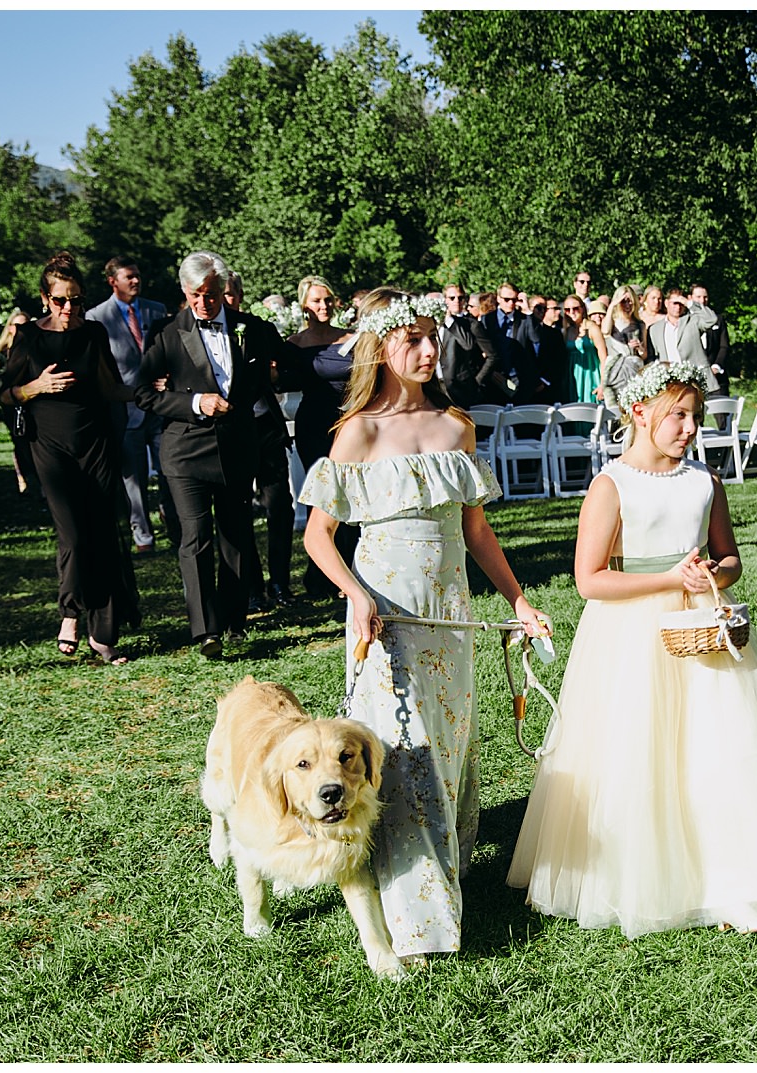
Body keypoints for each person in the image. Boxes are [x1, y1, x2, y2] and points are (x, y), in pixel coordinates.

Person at [508, 360, 757, 936]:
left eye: (695, 416)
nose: (690, 428)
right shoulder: (611, 485)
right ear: (640, 413)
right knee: (637, 749)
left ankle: (730, 882)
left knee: (718, 747)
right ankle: (635, 874)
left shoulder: (705, 483)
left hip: (702, 628)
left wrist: (711, 577)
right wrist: (672, 579)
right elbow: (590, 580)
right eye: (678, 415)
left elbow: (731, 559)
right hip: (628, 634)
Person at [299, 287, 550, 961]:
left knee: (448, 744)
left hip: (450, 613)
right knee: (401, 754)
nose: (428, 349)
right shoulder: (359, 431)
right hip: (387, 613)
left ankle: (450, 860)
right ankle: (421, 916)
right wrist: (354, 594)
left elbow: (476, 530)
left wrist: (519, 601)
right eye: (412, 338)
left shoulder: (455, 426)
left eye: (431, 337)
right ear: (383, 348)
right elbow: (319, 536)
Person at [136, 251, 283, 658]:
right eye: (197, 295)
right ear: (185, 293)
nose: (206, 302)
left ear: (224, 289)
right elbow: (143, 391)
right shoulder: (167, 333)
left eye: (213, 293)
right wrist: (196, 402)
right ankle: (206, 632)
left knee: (235, 536)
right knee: (195, 536)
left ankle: (234, 621)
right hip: (185, 451)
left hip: (237, 448)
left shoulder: (250, 329)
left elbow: (286, 367)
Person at [0, 252, 141, 664]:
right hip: (50, 445)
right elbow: (4, 395)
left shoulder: (93, 333)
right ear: (45, 299)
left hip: (95, 442)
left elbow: (111, 387)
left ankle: (102, 634)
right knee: (73, 534)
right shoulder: (28, 337)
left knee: (101, 532)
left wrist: (153, 390)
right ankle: (70, 613)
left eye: (76, 300)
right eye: (60, 300)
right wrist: (35, 386)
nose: (68, 308)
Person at [86, 255, 172, 552]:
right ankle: (143, 536)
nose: (136, 280)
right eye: (129, 277)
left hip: (161, 405)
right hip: (125, 408)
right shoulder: (96, 317)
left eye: (137, 275)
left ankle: (173, 521)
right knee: (132, 478)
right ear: (113, 282)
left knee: (169, 469)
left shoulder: (157, 310)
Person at [277, 275, 354, 600]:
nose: (322, 306)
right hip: (313, 425)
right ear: (304, 305)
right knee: (321, 494)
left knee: (351, 493)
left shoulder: (352, 338)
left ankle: (352, 571)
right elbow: (279, 380)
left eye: (327, 300)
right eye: (316, 301)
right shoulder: (294, 344)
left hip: (349, 422)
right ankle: (320, 576)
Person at [223, 271, 295, 611]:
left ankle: (280, 582)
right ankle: (252, 588)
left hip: (265, 424)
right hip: (229, 431)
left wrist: (277, 375)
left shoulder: (259, 328)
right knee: (239, 510)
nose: (225, 302)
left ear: (239, 295)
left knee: (279, 505)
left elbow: (287, 369)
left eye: (229, 294)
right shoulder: (200, 333)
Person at [0, 308, 38, 496]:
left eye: (24, 325)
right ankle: (24, 478)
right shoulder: (0, 353)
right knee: (19, 441)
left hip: (30, 401)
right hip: (10, 403)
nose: (21, 329)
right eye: (17, 325)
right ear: (10, 328)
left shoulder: (34, 347)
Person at [435, 282, 500, 410]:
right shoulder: (436, 323)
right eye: (452, 298)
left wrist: (477, 381)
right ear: (445, 300)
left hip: (461, 388)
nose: (457, 301)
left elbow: (471, 346)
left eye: (460, 298)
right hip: (437, 385)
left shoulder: (471, 324)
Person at [515, 294, 568, 404]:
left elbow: (560, 361)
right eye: (538, 308)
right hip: (523, 387)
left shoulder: (555, 334)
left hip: (547, 389)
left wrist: (544, 381)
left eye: (545, 308)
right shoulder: (519, 329)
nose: (542, 311)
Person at [560, 294, 608, 402]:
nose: (572, 312)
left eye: (575, 308)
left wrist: (603, 383)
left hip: (591, 374)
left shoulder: (592, 328)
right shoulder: (566, 331)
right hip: (573, 377)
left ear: (582, 308)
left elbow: (603, 356)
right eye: (567, 310)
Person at [690, 284, 732, 397]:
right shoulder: (684, 320)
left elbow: (724, 346)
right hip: (691, 377)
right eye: (698, 297)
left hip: (716, 377)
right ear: (690, 298)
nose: (702, 301)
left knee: (722, 412)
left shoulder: (718, 319)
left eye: (705, 297)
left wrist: (716, 366)